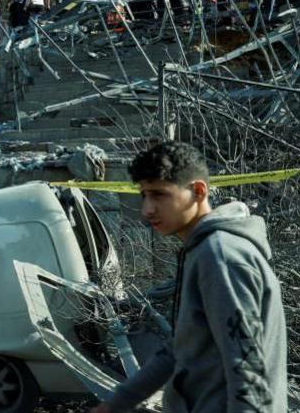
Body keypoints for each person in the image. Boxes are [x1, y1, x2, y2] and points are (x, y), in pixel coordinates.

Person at [91, 142, 287, 413]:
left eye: (159, 195)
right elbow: (179, 349)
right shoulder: (202, 250)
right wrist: (115, 404)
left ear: (198, 191)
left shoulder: (220, 256)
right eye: (144, 195)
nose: (147, 209)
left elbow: (249, 371)